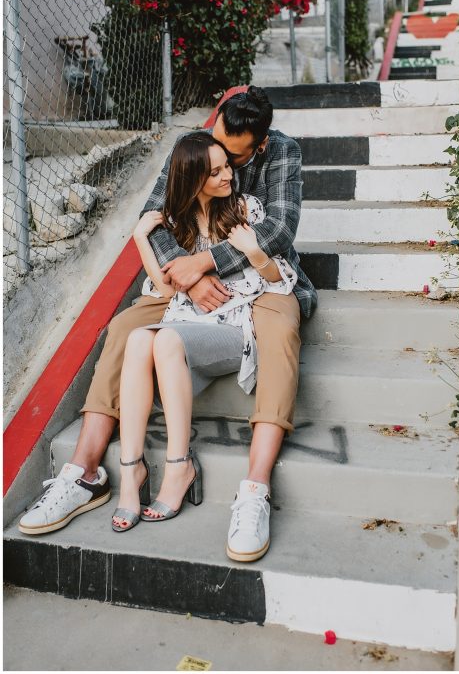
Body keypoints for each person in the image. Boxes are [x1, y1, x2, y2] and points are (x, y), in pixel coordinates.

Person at [18, 87, 314, 562]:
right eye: (214, 142)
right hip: (188, 290)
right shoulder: (198, 144)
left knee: (278, 336)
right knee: (125, 330)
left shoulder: (281, 153)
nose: (219, 160)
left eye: (231, 157)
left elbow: (277, 232)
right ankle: (85, 472)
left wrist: (206, 264)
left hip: (258, 282)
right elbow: (155, 215)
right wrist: (188, 277)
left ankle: (255, 488)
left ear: (257, 146)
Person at [111, 132, 296, 534]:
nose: (228, 175)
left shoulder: (247, 209)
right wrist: (140, 237)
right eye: (214, 172)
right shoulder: (177, 223)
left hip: (232, 329)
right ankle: (131, 472)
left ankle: (179, 466)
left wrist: (253, 249)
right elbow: (165, 290)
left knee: (165, 338)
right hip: (186, 329)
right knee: (139, 338)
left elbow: (279, 279)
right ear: (192, 179)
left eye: (226, 166)